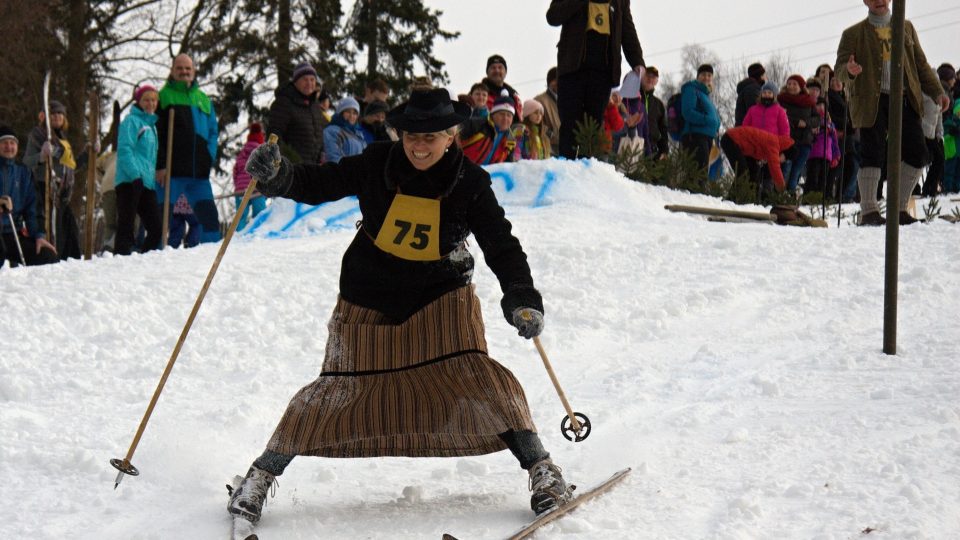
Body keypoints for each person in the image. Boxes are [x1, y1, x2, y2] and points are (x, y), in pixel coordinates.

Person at [228, 88, 574, 530]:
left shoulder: (470, 182)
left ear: (451, 136)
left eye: (431, 136)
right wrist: (279, 176)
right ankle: (258, 477)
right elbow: (320, 183)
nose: (420, 145)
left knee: (478, 378)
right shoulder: (377, 162)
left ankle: (542, 468)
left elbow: (501, 245)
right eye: (411, 135)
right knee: (334, 393)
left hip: (442, 298)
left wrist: (522, 296)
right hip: (368, 293)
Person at [835, 0, 948, 225]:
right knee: (872, 153)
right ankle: (869, 211)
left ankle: (899, 207)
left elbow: (921, 65)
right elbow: (839, 72)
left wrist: (937, 92)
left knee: (919, 153)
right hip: (871, 101)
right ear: (865, 1)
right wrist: (849, 71)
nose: (879, 1)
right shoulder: (853, 33)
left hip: (904, 98)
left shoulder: (906, 27)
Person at [547, 0, 645, 159]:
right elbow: (553, 16)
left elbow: (627, 30)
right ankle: (566, 171)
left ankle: (587, 171)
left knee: (594, 126)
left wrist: (637, 61)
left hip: (603, 73)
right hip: (572, 69)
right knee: (570, 124)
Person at [156, 53, 221, 244]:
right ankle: (150, 264)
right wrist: (159, 165)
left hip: (198, 174)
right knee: (159, 223)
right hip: (170, 173)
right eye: (180, 68)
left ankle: (211, 263)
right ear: (173, 71)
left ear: (193, 72)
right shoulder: (163, 97)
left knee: (210, 222)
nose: (184, 72)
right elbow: (156, 134)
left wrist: (209, 157)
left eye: (188, 69)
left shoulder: (204, 100)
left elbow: (213, 132)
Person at [22, 99, 84, 259]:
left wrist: (89, 152)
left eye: (60, 113)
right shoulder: (38, 135)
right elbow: (27, 161)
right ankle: (53, 260)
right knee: (55, 231)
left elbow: (71, 165)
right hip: (45, 190)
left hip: (62, 193)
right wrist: (41, 156)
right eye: (53, 113)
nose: (57, 116)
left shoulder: (63, 139)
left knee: (70, 232)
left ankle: (72, 262)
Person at [114, 84, 163, 255]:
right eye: (146, 100)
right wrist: (135, 175)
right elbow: (125, 150)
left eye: (153, 100)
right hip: (129, 180)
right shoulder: (131, 122)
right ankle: (119, 258)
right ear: (139, 102)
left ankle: (142, 260)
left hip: (147, 183)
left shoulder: (152, 126)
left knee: (156, 228)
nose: (150, 103)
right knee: (126, 225)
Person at [0, 125, 58, 267]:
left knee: (48, 257)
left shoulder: (23, 173)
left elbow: (33, 209)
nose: (9, 146)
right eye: (4, 143)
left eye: (12, 143)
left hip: (14, 233)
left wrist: (39, 235)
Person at [267, 62, 328, 165]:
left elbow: (319, 134)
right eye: (305, 79)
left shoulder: (315, 106)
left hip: (312, 168)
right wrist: (286, 160)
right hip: (291, 169)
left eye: (312, 79)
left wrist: (322, 156)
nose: (309, 83)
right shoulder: (284, 103)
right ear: (295, 82)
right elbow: (274, 135)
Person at [720, 125, 793, 194]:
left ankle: (749, 199)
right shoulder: (774, 144)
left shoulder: (775, 142)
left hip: (735, 142)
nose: (783, 160)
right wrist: (781, 187)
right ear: (785, 152)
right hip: (731, 140)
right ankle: (732, 199)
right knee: (743, 173)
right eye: (785, 158)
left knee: (753, 172)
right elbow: (774, 167)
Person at [778, 74, 819, 193]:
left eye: (794, 84)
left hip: (805, 141)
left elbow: (817, 119)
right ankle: (780, 194)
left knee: (796, 171)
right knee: (786, 168)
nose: (791, 86)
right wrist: (795, 122)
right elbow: (779, 116)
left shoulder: (809, 102)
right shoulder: (781, 100)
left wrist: (806, 123)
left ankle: (790, 194)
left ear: (801, 87)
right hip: (788, 142)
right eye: (789, 84)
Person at [460, 90, 523, 165]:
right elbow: (453, 138)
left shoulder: (510, 140)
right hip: (462, 170)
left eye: (509, 115)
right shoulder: (478, 124)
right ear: (493, 114)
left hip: (489, 175)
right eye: (502, 114)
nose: (505, 118)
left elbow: (508, 166)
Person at [679, 64, 721, 178]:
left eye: (709, 75)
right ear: (698, 76)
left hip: (707, 137)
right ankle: (694, 194)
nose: (706, 77)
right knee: (698, 171)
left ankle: (699, 193)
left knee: (703, 170)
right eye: (703, 75)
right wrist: (707, 120)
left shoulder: (705, 95)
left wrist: (716, 123)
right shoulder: (691, 89)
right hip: (695, 136)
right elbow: (687, 112)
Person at [232, 122, 267, 231]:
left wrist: (238, 186)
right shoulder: (262, 153)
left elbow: (235, 171)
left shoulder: (242, 153)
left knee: (240, 217)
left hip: (241, 190)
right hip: (256, 189)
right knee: (259, 215)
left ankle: (237, 237)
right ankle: (257, 236)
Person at [805, 98, 842, 197]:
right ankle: (809, 197)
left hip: (827, 156)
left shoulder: (830, 123)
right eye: (818, 105)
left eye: (823, 105)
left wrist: (836, 155)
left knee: (823, 179)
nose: (821, 108)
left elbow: (835, 141)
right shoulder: (813, 120)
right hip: (814, 154)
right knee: (813, 177)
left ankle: (819, 198)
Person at [323, 97, 367, 164]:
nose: (351, 116)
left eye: (355, 113)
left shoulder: (359, 135)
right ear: (340, 113)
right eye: (348, 112)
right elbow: (334, 157)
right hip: (339, 173)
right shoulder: (332, 131)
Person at [936, 64, 959, 194]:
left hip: (947, 131)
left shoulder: (949, 92)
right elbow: (943, 114)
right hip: (947, 132)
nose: (954, 80)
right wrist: (951, 124)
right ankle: (948, 188)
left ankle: (950, 187)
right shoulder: (943, 92)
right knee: (949, 163)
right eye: (952, 77)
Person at [638, 66, 668, 160]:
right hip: (633, 144)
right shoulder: (631, 97)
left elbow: (663, 128)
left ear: (656, 81)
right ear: (642, 77)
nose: (650, 79)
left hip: (652, 149)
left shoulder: (658, 104)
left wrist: (664, 150)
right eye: (648, 76)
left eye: (654, 77)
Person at [481, 54, 523, 119]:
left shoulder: (514, 96)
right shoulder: (479, 94)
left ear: (505, 72)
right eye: (493, 68)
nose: (497, 70)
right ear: (487, 72)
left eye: (500, 67)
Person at [534, 67, 561, 151]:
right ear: (549, 82)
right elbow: (535, 123)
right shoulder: (539, 100)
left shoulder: (569, 100)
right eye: (555, 79)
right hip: (550, 147)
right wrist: (551, 135)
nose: (558, 82)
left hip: (568, 146)